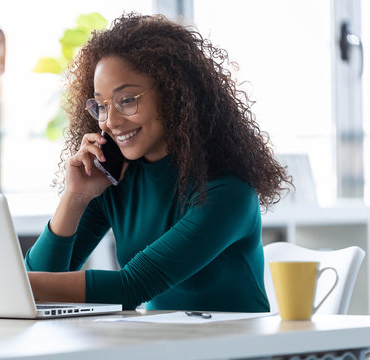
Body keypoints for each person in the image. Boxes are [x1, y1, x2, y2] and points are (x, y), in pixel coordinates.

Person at [25, 13, 292, 312]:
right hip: (154, 343)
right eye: (101, 105)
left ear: (175, 95)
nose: (110, 121)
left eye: (126, 100)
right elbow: (47, 281)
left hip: (236, 349)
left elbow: (132, 287)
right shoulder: (114, 178)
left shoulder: (228, 188)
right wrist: (74, 198)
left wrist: (14, 282)